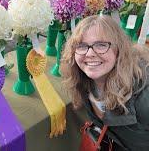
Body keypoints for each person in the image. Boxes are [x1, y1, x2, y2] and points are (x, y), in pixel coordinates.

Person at [60, 15, 149, 150]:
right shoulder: (82, 80)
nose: (89, 53)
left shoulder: (143, 95)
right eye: (81, 46)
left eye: (101, 45)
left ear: (119, 49)